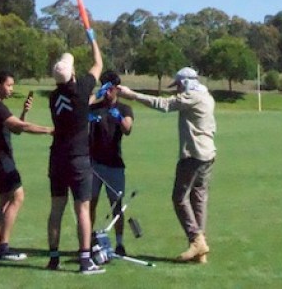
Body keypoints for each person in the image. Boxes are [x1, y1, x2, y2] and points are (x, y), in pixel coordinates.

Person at [118, 66, 216, 264]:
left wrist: (132, 95)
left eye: (179, 85)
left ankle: (196, 240)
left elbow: (164, 104)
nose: (178, 89)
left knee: (179, 198)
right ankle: (200, 248)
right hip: (208, 154)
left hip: (193, 155)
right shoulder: (206, 95)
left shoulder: (192, 97)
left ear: (186, 83)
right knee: (198, 197)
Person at [46, 40, 104, 274]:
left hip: (57, 158)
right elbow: (98, 64)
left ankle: (53, 258)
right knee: (83, 209)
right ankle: (84, 260)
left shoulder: (53, 97)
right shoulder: (81, 88)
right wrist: (92, 40)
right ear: (72, 74)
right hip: (78, 158)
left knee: (56, 209)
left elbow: (77, 104)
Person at [0, 69, 51, 262]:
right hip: (0, 160)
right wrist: (50, 130)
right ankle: (4, 248)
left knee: (3, 202)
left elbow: (16, 128)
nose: (11, 89)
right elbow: (22, 127)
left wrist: (24, 112)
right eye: (9, 85)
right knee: (18, 197)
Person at [88, 71, 134, 256]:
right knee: (90, 203)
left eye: (110, 88)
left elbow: (128, 129)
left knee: (116, 204)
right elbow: (81, 106)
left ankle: (120, 243)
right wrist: (96, 96)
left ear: (117, 89)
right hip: (93, 164)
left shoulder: (124, 109)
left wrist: (119, 118)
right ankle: (88, 241)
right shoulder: (94, 108)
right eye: (104, 88)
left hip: (114, 164)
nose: (107, 92)